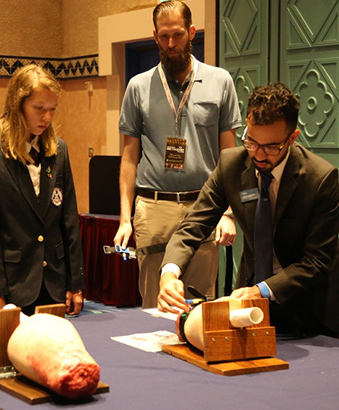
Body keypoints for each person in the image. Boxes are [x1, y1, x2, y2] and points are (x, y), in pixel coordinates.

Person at [157, 83, 339, 336]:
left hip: (313, 305)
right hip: (253, 302)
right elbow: (193, 225)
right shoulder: (231, 165)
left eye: (271, 147)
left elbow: (316, 262)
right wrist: (170, 273)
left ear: (292, 138)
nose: (259, 155)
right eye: (251, 142)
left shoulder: (320, 179)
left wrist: (261, 290)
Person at [114, 0, 242, 309]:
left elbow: (231, 155)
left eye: (178, 35)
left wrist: (228, 213)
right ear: (155, 36)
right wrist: (125, 218)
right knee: (151, 305)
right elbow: (129, 158)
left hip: (204, 206)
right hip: (153, 207)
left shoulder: (220, 81)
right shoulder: (138, 86)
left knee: (199, 305)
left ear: (192, 33)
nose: (171, 44)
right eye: (164, 36)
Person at [0, 64, 84, 330]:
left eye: (52, 109)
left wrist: (75, 283)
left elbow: (69, 220)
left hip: (52, 284)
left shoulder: (58, 149)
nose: (47, 117)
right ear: (18, 104)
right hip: (10, 286)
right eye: (39, 108)